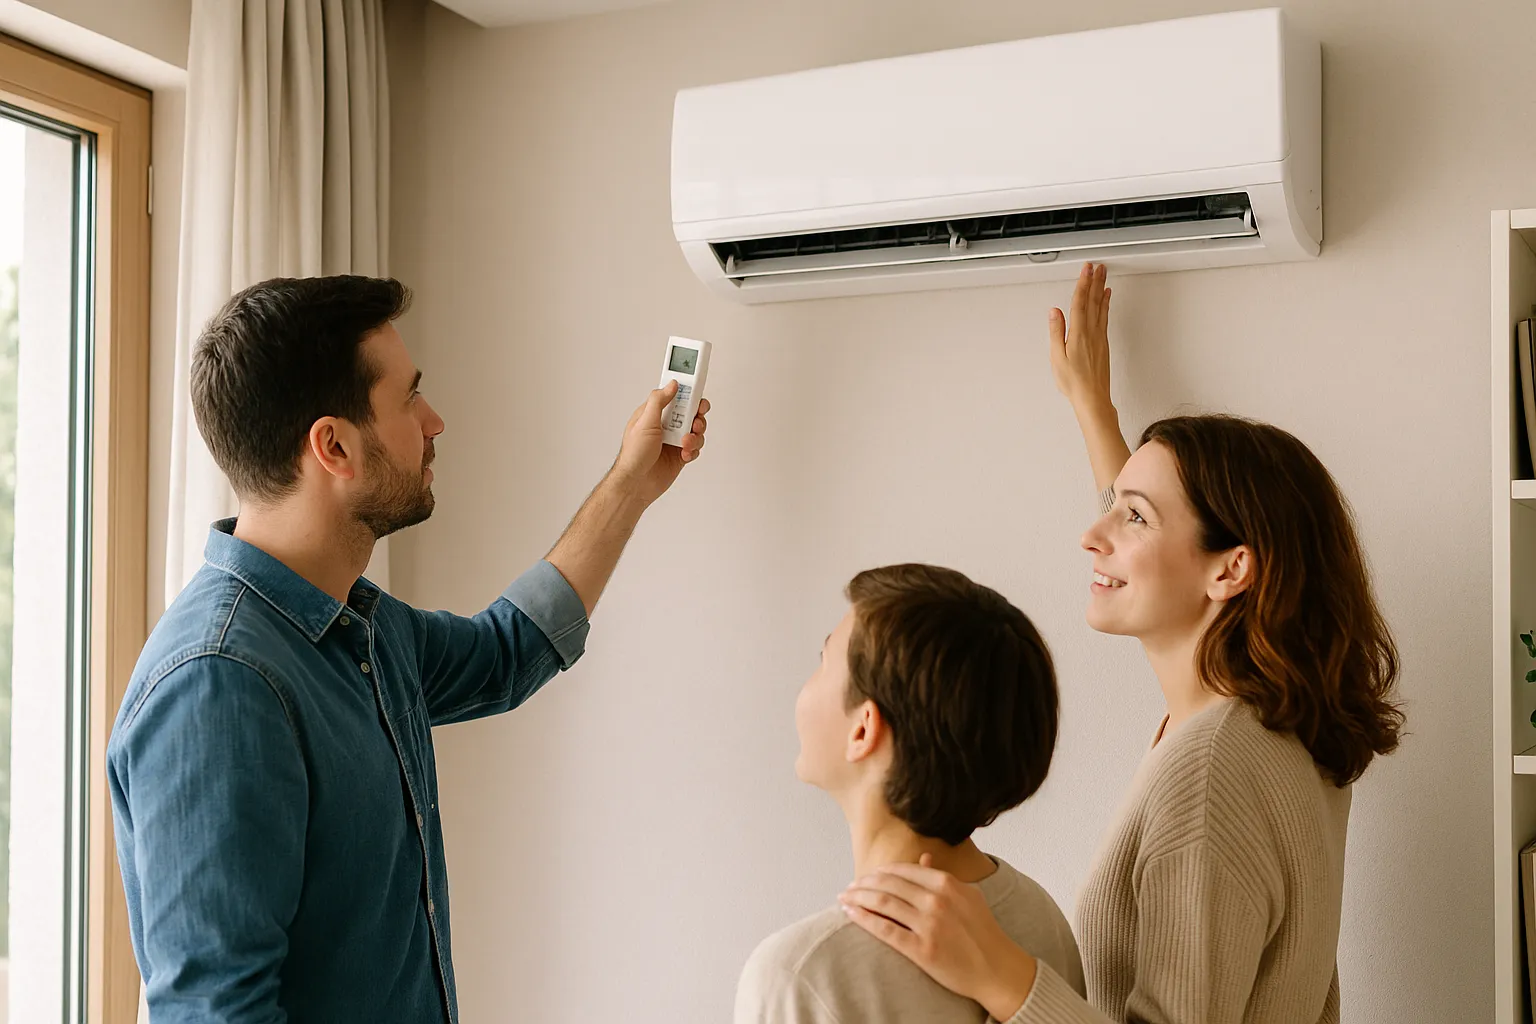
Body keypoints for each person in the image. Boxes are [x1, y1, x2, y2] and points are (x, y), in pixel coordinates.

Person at [107, 276, 709, 1023]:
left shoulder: (360, 626)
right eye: (409, 398)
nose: (434, 421)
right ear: (333, 446)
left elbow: (507, 652)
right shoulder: (218, 686)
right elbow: (214, 1011)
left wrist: (632, 483)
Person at [838, 263, 1404, 1024]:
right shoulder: (1272, 723)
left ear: (1231, 570)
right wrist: (1092, 408)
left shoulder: (1212, 774)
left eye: (1132, 516)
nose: (1092, 534)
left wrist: (1004, 977)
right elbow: (1167, 553)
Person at [736, 564, 1085, 1023]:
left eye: (823, 659)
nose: (805, 683)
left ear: (863, 729)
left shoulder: (799, 974)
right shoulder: (1040, 917)